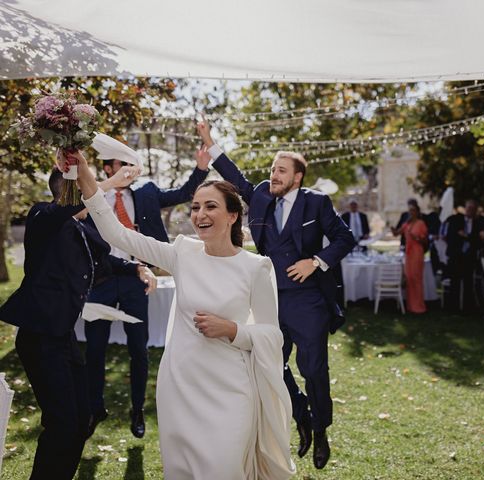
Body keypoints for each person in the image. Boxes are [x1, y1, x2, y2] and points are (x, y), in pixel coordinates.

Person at [67, 151, 296, 480]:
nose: (200, 214)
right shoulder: (183, 253)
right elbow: (117, 234)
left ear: (234, 216)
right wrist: (86, 173)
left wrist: (233, 329)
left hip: (232, 391)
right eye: (195, 207)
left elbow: (273, 336)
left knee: (224, 469)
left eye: (211, 206)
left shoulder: (255, 267)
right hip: (181, 388)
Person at [197, 119, 355, 470]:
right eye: (273, 169)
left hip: (307, 300)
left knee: (313, 367)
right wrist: (210, 141)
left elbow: (345, 239)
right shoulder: (263, 197)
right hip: (268, 298)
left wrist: (316, 262)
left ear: (297, 177)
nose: (275, 174)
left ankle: (321, 428)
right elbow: (234, 176)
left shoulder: (317, 203)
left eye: (282, 171)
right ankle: (300, 413)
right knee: (268, 363)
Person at [0, 165, 138, 480]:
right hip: (38, 336)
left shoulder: (80, 230)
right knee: (62, 423)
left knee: (84, 417)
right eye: (84, 189)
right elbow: (63, 210)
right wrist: (110, 182)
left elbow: (104, 260)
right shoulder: (42, 218)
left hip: (62, 337)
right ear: (70, 193)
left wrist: (137, 269)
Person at [84, 150, 209, 438]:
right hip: (100, 281)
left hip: (137, 279)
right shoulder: (92, 197)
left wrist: (201, 168)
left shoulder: (147, 192)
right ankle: (94, 407)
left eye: (130, 164)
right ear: (107, 168)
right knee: (94, 350)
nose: (129, 169)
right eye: (122, 164)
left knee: (138, 350)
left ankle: (137, 409)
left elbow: (184, 193)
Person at [445, 200, 482, 312]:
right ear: (465, 208)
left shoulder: (478, 223)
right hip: (456, 255)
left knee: (468, 283)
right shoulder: (456, 220)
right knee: (454, 282)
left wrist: (466, 236)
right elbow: (451, 236)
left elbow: (477, 241)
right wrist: (467, 237)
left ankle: (467, 307)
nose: (470, 211)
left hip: (469, 257)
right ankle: (453, 307)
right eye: (468, 208)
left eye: (473, 209)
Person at [392, 202, 427, 313]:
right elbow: (397, 234)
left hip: (417, 252)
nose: (411, 213)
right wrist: (392, 229)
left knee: (416, 278)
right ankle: (410, 306)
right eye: (409, 211)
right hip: (408, 254)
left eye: (413, 210)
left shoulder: (421, 223)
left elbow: (425, 241)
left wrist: (416, 238)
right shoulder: (407, 223)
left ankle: (419, 307)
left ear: (417, 212)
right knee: (409, 278)